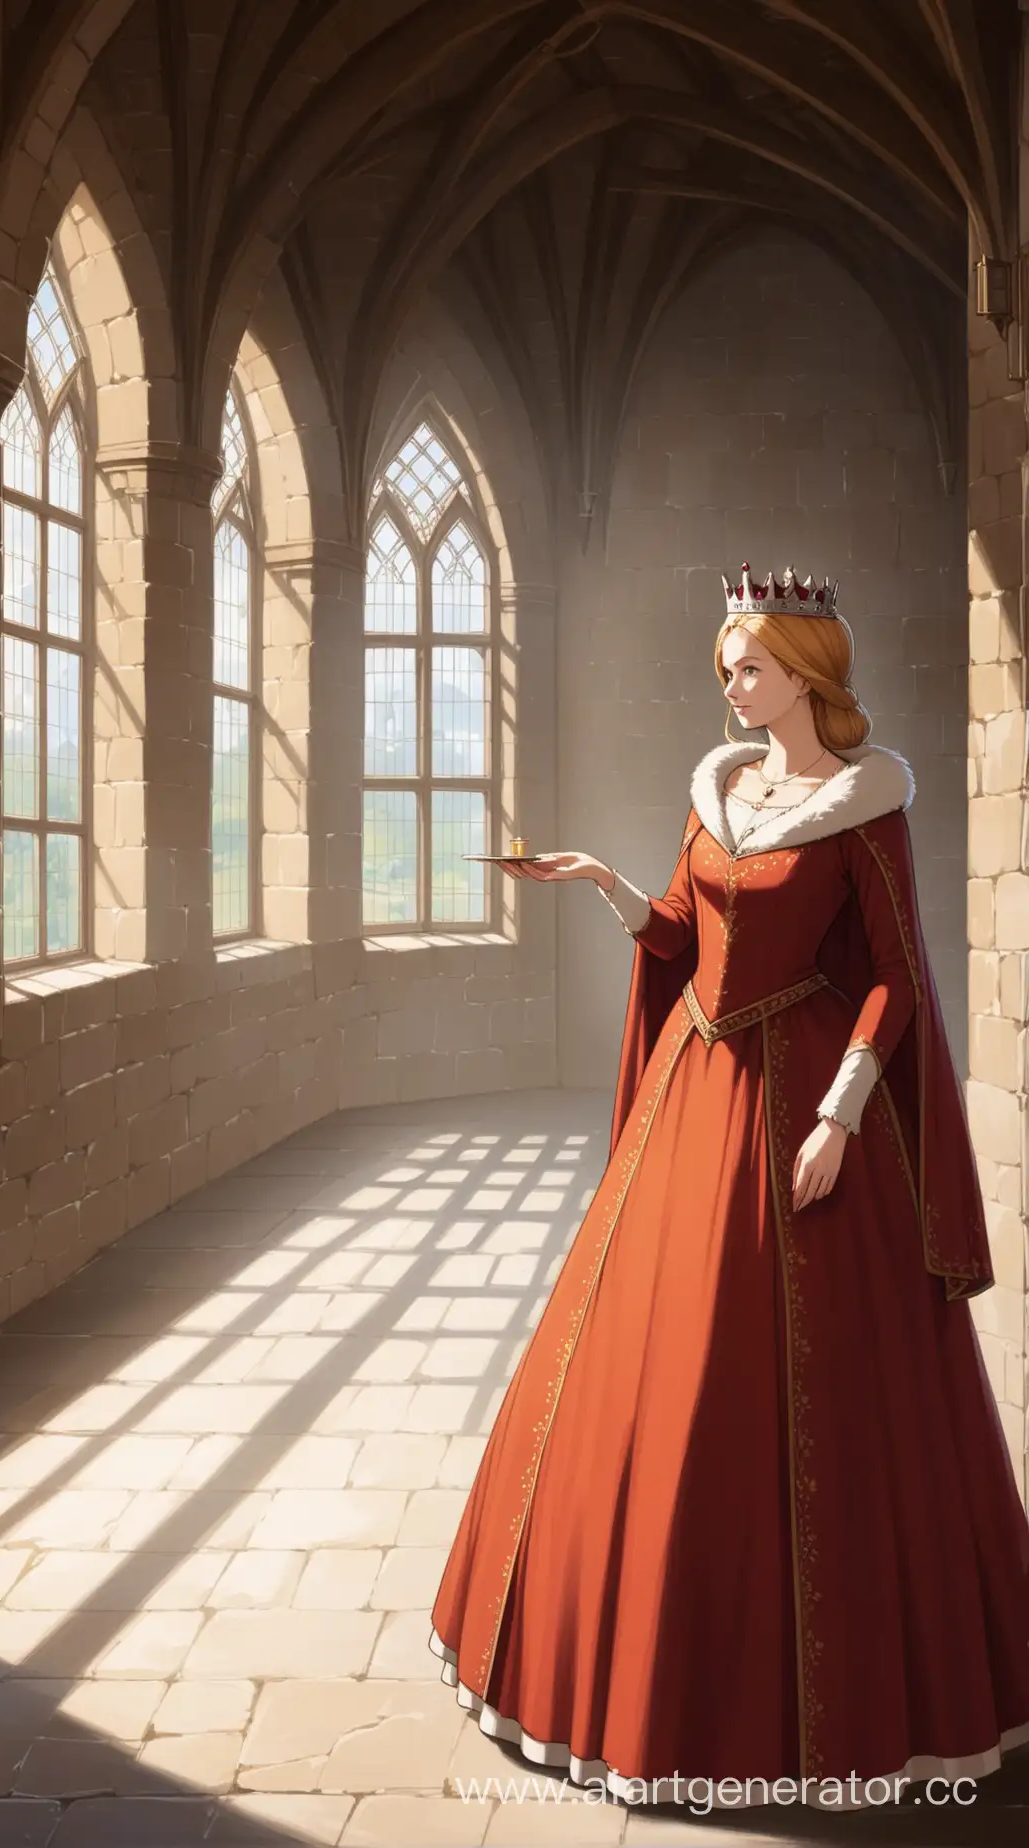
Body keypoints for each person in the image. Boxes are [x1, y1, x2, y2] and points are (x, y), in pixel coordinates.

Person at [430, 564, 1029, 1809]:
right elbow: (686, 940)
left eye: (748, 668)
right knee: (650, 1361)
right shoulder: (721, 789)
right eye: (724, 671)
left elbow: (895, 979)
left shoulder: (867, 806)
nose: (731, 688)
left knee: (814, 1396)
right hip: (692, 1096)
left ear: (805, 673)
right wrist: (606, 885)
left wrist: (839, 1118)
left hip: (804, 1101)